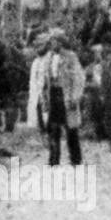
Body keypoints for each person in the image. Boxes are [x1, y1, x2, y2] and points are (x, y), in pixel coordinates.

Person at [40, 29, 85, 166]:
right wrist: (44, 99)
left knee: (71, 129)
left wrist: (75, 97)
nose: (53, 44)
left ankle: (76, 160)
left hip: (66, 95)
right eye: (51, 41)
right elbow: (43, 81)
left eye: (55, 41)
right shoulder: (48, 58)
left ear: (60, 42)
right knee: (53, 129)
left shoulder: (70, 57)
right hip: (53, 94)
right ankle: (54, 160)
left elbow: (78, 78)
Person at [26, 32, 52, 131]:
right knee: (38, 106)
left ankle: (48, 127)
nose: (38, 48)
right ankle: (42, 127)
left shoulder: (50, 58)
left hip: (46, 88)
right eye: (37, 46)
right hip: (37, 89)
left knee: (47, 107)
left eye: (41, 45)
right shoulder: (36, 61)